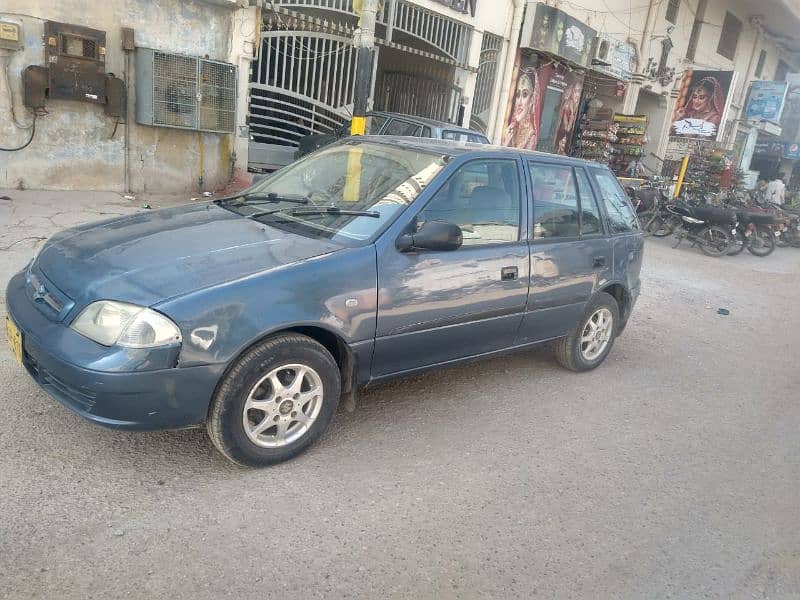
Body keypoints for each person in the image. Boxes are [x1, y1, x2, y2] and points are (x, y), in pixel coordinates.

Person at [503, 69, 540, 150]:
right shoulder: (511, 129)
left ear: (531, 100)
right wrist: (506, 142)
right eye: (518, 94)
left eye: (524, 95)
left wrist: (505, 145)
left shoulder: (530, 136)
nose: (519, 102)